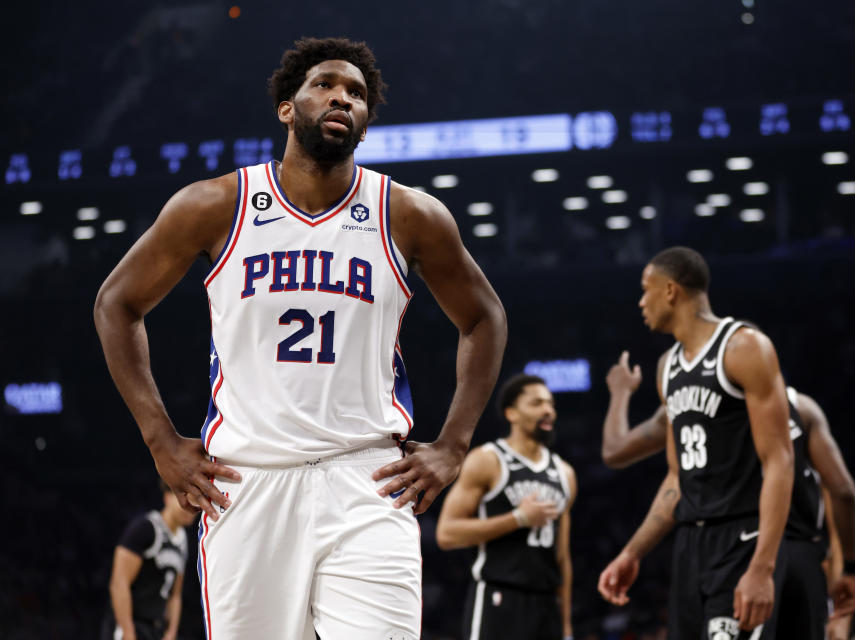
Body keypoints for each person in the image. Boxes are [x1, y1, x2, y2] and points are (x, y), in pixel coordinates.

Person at [94, 37, 507, 640]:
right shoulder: (216, 205)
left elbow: (485, 318)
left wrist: (454, 444)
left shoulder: (408, 214)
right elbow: (116, 303)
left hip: (367, 479)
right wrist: (159, 441)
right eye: (325, 85)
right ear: (287, 107)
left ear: (366, 123)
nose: (342, 97)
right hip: (247, 478)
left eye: (357, 94)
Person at [597, 246, 795, 639]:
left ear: (671, 290)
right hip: (691, 545)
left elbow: (779, 461)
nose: (640, 301)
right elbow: (676, 479)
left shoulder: (744, 347)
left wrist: (762, 567)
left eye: (645, 289)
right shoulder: (667, 367)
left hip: (742, 537)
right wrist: (632, 552)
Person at [602, 352, 855, 638]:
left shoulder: (696, 405)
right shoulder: (802, 409)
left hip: (738, 553)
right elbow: (842, 494)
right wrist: (848, 570)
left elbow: (617, 452)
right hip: (795, 558)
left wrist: (620, 393)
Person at [436, 374, 577, 640]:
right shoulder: (487, 460)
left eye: (551, 404)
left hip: (547, 606)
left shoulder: (564, 472)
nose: (548, 410)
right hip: (498, 598)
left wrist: (567, 627)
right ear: (511, 413)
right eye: (537, 403)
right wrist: (518, 518)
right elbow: (446, 533)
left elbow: (563, 558)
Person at [101, 480, 195, 640]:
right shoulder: (145, 528)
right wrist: (128, 632)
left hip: (156, 628)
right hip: (131, 626)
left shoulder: (182, 540)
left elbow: (175, 595)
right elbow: (119, 583)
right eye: (185, 501)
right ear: (167, 497)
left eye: (196, 504)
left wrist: (171, 632)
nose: (190, 508)